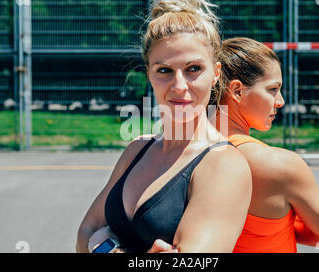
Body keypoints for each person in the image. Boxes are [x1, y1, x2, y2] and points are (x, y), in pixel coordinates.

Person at [76, 0, 252, 253]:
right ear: (148, 73)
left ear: (216, 73)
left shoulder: (223, 164)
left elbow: (94, 238)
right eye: (165, 70)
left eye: (194, 69)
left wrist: (103, 245)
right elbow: (85, 233)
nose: (179, 85)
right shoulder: (137, 149)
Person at [212, 37, 319, 253]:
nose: (280, 101)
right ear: (236, 91)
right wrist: (295, 215)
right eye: (272, 89)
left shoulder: (184, 150)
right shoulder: (280, 165)